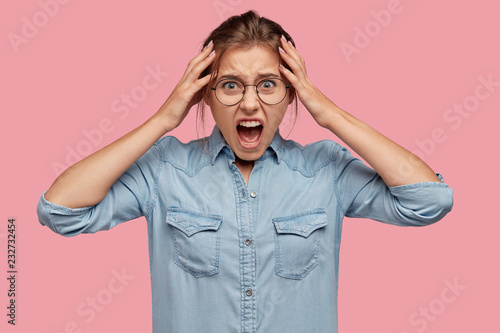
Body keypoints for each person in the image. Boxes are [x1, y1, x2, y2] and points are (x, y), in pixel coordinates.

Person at [37, 10, 453, 333]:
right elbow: (60, 210)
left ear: (291, 94)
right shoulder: (165, 171)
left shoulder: (325, 171)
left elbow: (430, 200)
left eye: (268, 84)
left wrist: (327, 113)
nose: (250, 104)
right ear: (206, 95)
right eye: (231, 84)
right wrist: (163, 120)